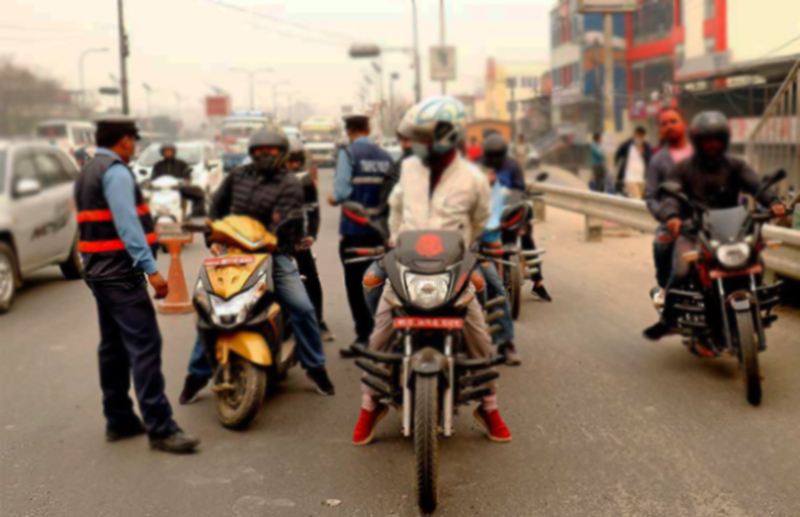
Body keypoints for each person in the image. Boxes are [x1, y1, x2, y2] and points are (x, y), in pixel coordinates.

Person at [353, 97, 512, 446]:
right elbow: (395, 207)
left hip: (454, 263)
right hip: (406, 261)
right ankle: (370, 403)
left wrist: (469, 250)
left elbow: (481, 219)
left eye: (423, 136)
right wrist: (393, 240)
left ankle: (488, 405)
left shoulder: (472, 178)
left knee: (479, 335)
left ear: (447, 135)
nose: (418, 143)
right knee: (378, 331)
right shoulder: (409, 169)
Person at [179, 127, 335, 402]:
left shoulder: (290, 183)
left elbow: (291, 219)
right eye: (259, 150)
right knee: (211, 307)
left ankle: (315, 367)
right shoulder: (237, 176)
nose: (265, 154)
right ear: (252, 153)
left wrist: (286, 238)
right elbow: (216, 208)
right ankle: (196, 375)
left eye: (270, 150)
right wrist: (212, 238)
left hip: (274, 255)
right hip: (233, 253)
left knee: (303, 307)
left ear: (281, 153)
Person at [75, 117, 199, 454]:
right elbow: (128, 225)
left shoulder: (88, 169)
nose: (134, 146)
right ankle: (161, 428)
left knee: (113, 347)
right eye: (133, 140)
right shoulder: (115, 171)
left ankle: (119, 419)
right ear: (125, 140)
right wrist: (151, 270)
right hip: (120, 274)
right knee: (145, 346)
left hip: (98, 272)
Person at [643, 111, 787, 341]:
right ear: (698, 141)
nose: (712, 144)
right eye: (706, 140)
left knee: (755, 262)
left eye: (717, 139)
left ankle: (751, 307)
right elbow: (671, 196)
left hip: (731, 227)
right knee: (681, 270)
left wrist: (773, 202)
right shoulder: (685, 168)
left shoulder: (735, 165)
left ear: (724, 140)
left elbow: (756, 186)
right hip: (694, 227)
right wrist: (671, 216)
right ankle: (667, 321)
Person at [328, 114, 394, 358]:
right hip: (383, 232)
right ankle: (386, 335)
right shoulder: (386, 156)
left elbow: (341, 191)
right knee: (383, 283)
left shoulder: (348, 153)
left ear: (348, 131)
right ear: (368, 129)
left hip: (355, 232)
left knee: (357, 286)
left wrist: (333, 199)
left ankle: (365, 337)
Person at [481, 133, 552, 302]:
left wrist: (516, 196)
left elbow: (519, 188)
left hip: (509, 211)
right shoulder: (478, 166)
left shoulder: (512, 166)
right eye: (492, 156)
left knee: (526, 236)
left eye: (497, 155)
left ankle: (538, 282)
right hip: (486, 213)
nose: (494, 159)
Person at [287, 136, 334, 342]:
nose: (293, 165)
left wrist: (311, 236)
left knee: (310, 277)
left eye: (296, 161)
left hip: (297, 239)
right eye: (289, 161)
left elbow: (313, 212)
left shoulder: (305, 181)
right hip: (271, 242)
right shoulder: (264, 181)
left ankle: (318, 320)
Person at [644, 108, 694, 305]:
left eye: (673, 121)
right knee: (661, 243)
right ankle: (666, 289)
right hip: (673, 221)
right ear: (660, 131)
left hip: (705, 218)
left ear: (684, 125)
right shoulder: (657, 161)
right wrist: (666, 217)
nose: (669, 126)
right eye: (664, 124)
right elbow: (650, 196)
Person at [478, 165, 521, 365]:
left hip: (471, 256)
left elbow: (491, 233)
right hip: (432, 255)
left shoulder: (483, 198)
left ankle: (505, 341)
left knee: (494, 287)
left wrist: (491, 243)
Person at [150, 142, 207, 217]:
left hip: (179, 189)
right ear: (162, 153)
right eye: (166, 151)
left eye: (170, 151)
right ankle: (150, 216)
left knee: (199, 193)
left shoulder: (181, 164)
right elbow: (153, 178)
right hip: (161, 190)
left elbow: (187, 175)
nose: (168, 153)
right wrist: (149, 183)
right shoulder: (158, 165)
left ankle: (197, 216)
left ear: (174, 152)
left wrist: (186, 181)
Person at [615, 126, 653, 198]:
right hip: (630, 178)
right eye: (638, 135)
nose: (639, 138)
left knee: (641, 199)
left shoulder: (646, 146)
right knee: (636, 199)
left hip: (642, 179)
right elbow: (618, 154)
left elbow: (650, 160)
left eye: (641, 136)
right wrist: (617, 167)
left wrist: (642, 152)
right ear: (634, 135)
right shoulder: (628, 145)